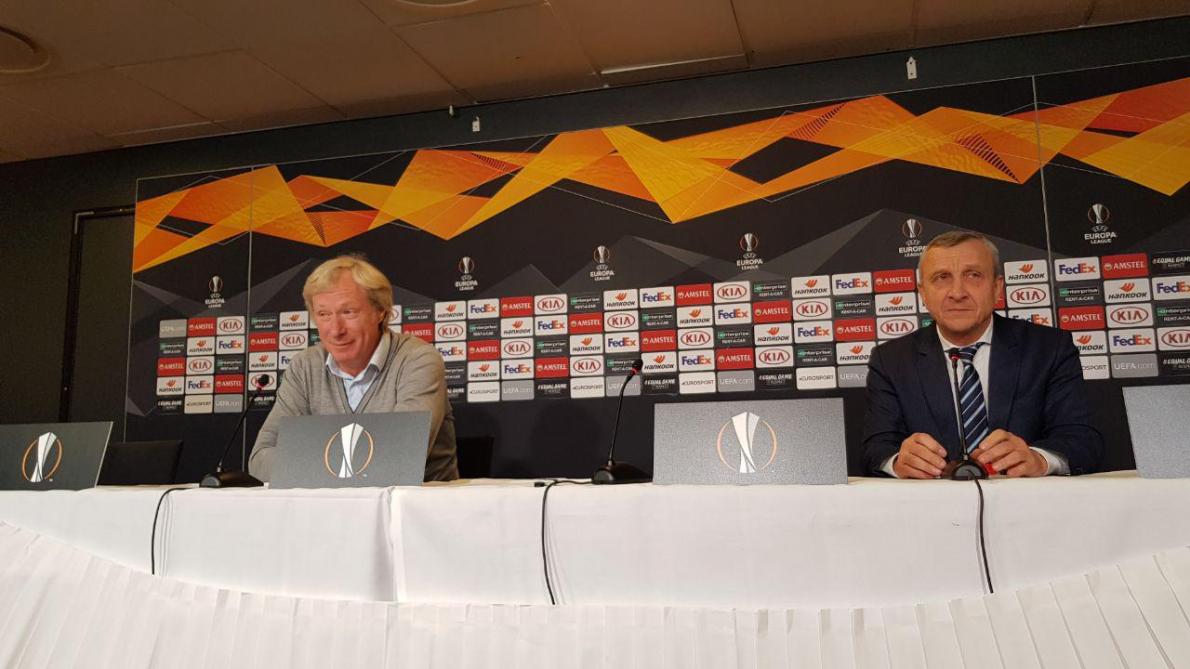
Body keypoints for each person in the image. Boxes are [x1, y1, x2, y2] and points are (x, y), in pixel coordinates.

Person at [863, 231, 1102, 478]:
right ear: (923, 293)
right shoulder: (891, 360)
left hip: (1025, 499)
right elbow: (876, 448)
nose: (957, 293)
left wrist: (1039, 459)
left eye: (973, 275)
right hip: (931, 501)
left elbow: (1082, 440)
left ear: (997, 288)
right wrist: (897, 461)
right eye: (942, 277)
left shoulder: (1050, 349)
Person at [249, 255, 458, 482]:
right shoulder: (305, 366)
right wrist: (339, 466)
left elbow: (401, 457)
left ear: (380, 311)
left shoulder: (417, 360)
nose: (336, 330)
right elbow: (260, 459)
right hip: (329, 504)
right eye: (323, 314)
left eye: (348, 312)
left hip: (412, 503)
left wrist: (312, 462)